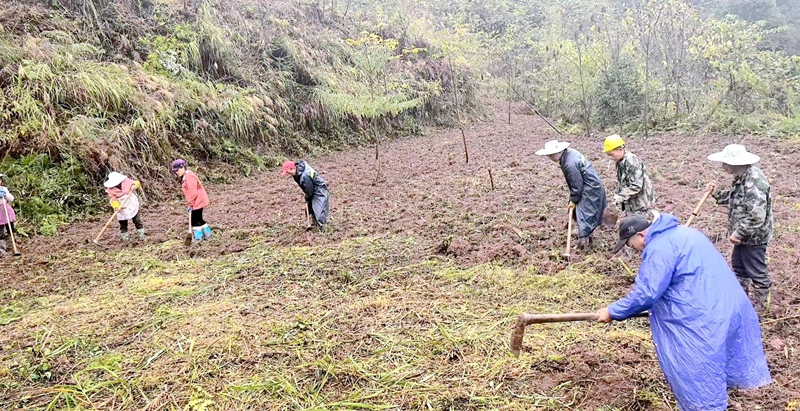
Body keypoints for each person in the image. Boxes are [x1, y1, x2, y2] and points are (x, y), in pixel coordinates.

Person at [597, 213, 771, 410]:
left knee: (697, 376)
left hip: (702, 319)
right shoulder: (688, 233)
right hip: (730, 307)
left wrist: (612, 311)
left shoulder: (659, 248)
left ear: (641, 235)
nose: (635, 249)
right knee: (720, 363)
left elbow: (646, 294)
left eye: (631, 244)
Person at [706, 144, 774, 312]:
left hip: (754, 237)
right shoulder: (740, 177)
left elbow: (757, 215)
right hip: (744, 236)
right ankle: (740, 301)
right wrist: (716, 194)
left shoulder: (754, 182)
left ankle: (760, 308)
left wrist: (739, 232)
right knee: (739, 268)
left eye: (725, 163)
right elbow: (734, 199)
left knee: (756, 271)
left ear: (734, 163)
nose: (722, 166)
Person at [535, 140, 606, 249]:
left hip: (590, 188)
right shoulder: (568, 154)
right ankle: (588, 239)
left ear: (558, 152)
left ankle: (583, 244)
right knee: (582, 214)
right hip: (588, 185)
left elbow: (577, 186)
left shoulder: (570, 163)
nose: (549, 157)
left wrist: (573, 200)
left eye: (551, 155)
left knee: (584, 214)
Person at [602, 134, 655, 216]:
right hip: (631, 202)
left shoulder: (631, 161)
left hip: (640, 203)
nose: (611, 158)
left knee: (640, 225)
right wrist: (617, 195)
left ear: (620, 149)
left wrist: (620, 197)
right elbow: (623, 182)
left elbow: (636, 186)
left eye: (611, 155)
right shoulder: (620, 162)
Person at [282, 160, 329, 230]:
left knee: (319, 210)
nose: (289, 174)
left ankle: (322, 228)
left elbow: (310, 191)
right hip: (311, 188)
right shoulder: (297, 172)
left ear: (293, 168)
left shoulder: (304, 176)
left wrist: (307, 198)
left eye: (289, 172)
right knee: (311, 207)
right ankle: (315, 223)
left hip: (319, 188)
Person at [172, 159, 211, 241]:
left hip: (198, 200)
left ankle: (198, 238)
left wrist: (191, 204)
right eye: (175, 171)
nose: (176, 172)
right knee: (199, 218)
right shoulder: (186, 176)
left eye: (177, 170)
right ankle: (208, 234)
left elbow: (193, 192)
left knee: (194, 220)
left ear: (183, 167)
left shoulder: (189, 177)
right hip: (198, 200)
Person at [104, 172, 145, 241]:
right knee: (123, 222)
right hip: (120, 204)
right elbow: (113, 199)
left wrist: (134, 186)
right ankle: (124, 237)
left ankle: (141, 234)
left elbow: (137, 183)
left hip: (130, 202)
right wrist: (116, 206)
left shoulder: (126, 181)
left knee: (137, 220)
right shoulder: (110, 189)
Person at [0, 173, 16, 240]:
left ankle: (11, 235)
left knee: (9, 221)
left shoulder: (4, 189)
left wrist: (5, 194)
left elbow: (11, 199)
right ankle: (2, 236)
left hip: (5, 208)